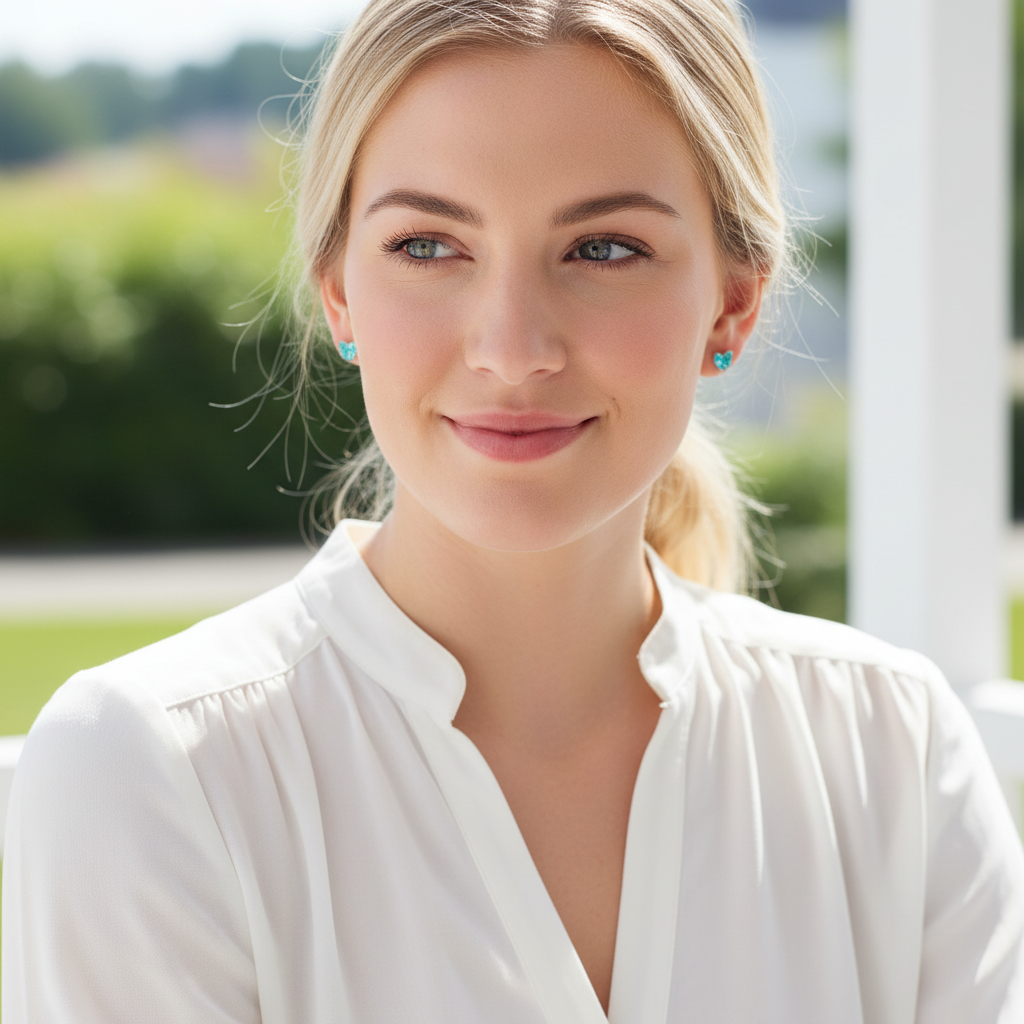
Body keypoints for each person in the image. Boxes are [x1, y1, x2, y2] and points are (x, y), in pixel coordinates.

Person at [4, 0, 1024, 1020]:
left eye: (604, 248)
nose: (512, 348)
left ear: (732, 303)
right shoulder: (152, 772)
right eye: (428, 245)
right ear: (338, 293)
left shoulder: (892, 753)